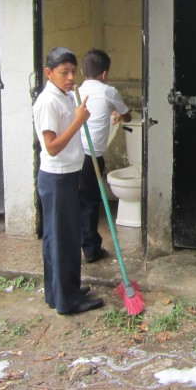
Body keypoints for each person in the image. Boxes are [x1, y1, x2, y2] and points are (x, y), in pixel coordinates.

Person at [33, 47, 104, 315]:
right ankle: (68, 300)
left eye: (73, 71)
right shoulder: (48, 102)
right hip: (58, 177)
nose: (71, 77)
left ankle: (58, 293)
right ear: (49, 73)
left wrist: (77, 114)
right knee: (64, 240)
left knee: (57, 238)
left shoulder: (62, 95)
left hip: (65, 175)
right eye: (64, 72)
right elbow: (51, 147)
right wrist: (78, 121)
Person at [78, 48, 131, 263]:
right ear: (104, 74)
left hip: (72, 154)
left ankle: (77, 246)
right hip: (91, 157)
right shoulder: (109, 91)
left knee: (77, 202)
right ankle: (91, 250)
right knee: (90, 202)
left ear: (81, 71)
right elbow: (127, 117)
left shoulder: (76, 92)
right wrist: (118, 113)